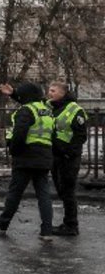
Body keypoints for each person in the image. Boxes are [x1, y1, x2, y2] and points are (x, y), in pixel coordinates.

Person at [0, 82, 55, 241]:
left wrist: (14, 151)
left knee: (15, 192)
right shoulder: (46, 110)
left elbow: (19, 134)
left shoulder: (26, 111)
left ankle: (3, 222)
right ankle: (47, 230)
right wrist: (14, 93)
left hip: (26, 156)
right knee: (44, 194)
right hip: (44, 156)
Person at [46, 81, 87, 236]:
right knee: (62, 190)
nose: (50, 93)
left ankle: (71, 225)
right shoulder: (51, 106)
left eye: (53, 91)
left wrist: (69, 153)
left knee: (68, 191)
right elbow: (32, 101)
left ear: (63, 93)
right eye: (49, 90)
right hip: (55, 155)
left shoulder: (75, 110)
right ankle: (68, 222)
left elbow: (81, 136)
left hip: (68, 157)